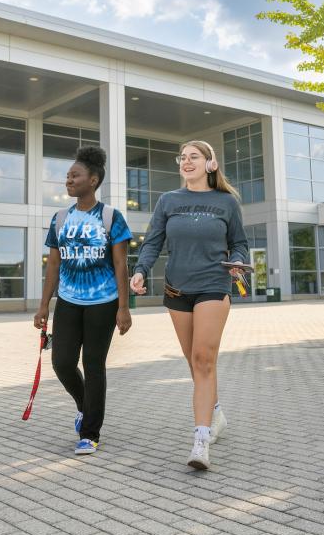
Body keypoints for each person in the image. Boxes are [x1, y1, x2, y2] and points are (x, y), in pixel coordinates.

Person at [130, 140, 248, 470]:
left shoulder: (226, 202)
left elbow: (239, 243)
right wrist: (139, 271)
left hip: (214, 285)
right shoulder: (169, 200)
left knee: (202, 358)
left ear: (210, 164)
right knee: (192, 361)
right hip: (177, 289)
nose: (186, 162)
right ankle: (216, 413)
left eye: (193, 157)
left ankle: (200, 440)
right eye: (182, 158)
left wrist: (237, 261)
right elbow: (153, 242)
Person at [34, 146, 132, 455]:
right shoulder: (60, 218)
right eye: (67, 176)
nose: (68, 181)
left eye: (75, 176)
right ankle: (83, 405)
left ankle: (90, 431)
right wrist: (43, 305)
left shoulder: (110, 216)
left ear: (93, 179)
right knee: (61, 362)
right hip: (68, 300)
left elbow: (120, 265)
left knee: (93, 365)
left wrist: (123, 308)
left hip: (103, 302)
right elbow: (53, 264)